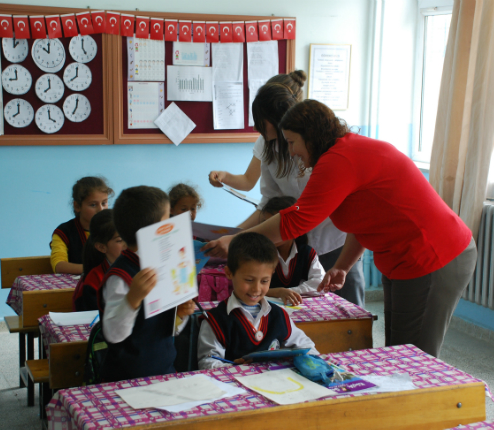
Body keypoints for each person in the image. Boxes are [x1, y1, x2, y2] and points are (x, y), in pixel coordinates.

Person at [203, 100, 477, 358]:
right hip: (405, 259)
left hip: (433, 255)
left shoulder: (340, 159)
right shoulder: (341, 154)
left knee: (412, 357)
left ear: (310, 137)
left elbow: (296, 220)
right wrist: (343, 267)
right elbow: (363, 220)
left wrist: (238, 240)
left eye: (292, 142)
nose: (292, 152)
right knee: (398, 349)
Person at [209, 72, 366, 307]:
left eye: (261, 120)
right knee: (300, 309)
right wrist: (233, 235)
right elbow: (269, 204)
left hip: (335, 242)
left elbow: (305, 212)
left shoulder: (321, 148)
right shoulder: (267, 145)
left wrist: (236, 238)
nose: (257, 127)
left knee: (348, 308)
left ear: (279, 119)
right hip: (298, 243)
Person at [99, 186, 196, 382]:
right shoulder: (121, 276)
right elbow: (113, 334)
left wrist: (179, 314)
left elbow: (166, 328)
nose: (172, 223)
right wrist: (132, 299)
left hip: (164, 372)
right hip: (126, 381)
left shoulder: (165, 264)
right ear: (154, 231)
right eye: (167, 219)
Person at [197, 232, 318, 369]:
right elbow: (207, 363)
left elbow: (307, 347)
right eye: (249, 280)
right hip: (235, 382)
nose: (256, 289)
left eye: (264, 281)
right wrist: (237, 368)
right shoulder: (215, 320)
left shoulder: (279, 315)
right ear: (229, 273)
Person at [260, 197, 325, 306]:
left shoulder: (306, 253)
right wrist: (277, 292)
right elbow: (249, 288)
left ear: (294, 226)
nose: (269, 230)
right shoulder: (259, 254)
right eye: (266, 224)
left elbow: (319, 283)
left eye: (275, 225)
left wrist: (289, 292)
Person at [50, 176, 113, 275]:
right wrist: (98, 270)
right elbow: (59, 266)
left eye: (104, 203)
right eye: (93, 205)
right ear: (77, 206)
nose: (101, 209)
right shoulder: (64, 232)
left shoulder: (115, 229)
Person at [72, 209, 126, 312]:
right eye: (120, 240)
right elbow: (96, 318)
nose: (127, 244)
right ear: (102, 247)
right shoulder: (94, 281)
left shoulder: (138, 268)